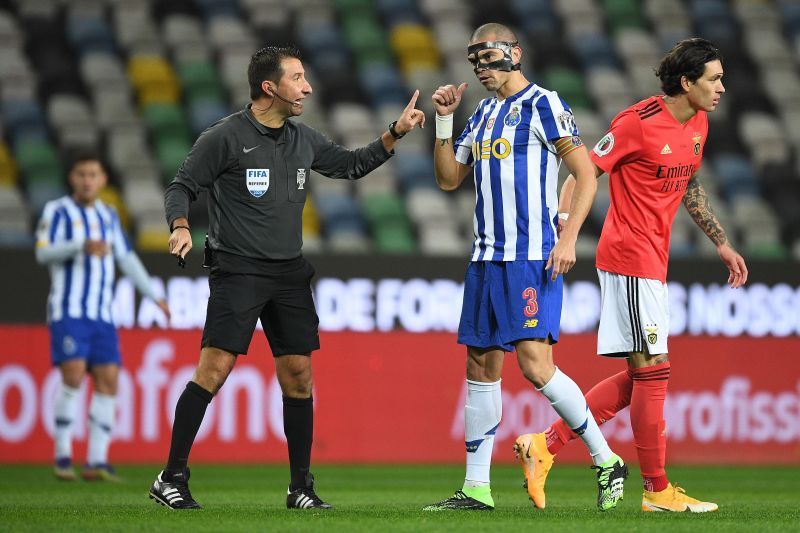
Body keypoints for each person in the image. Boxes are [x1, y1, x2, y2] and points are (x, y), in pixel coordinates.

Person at [148, 45, 425, 510]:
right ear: (269, 87)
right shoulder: (225, 137)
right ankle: (170, 475)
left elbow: (351, 164)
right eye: (298, 78)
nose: (308, 87)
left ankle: (301, 488)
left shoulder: (303, 138)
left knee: (299, 377)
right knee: (213, 370)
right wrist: (179, 227)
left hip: (289, 273)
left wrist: (395, 131)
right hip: (238, 269)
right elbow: (181, 186)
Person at [529, 37, 748, 513]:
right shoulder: (636, 124)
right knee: (654, 372)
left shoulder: (698, 123)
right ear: (687, 82)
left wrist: (721, 242)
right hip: (629, 257)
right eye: (714, 79)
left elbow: (688, 181)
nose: (722, 88)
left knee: (646, 374)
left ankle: (545, 445)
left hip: (655, 260)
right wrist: (564, 228)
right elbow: (581, 171)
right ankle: (656, 489)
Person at [422, 23, 627, 512]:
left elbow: (584, 175)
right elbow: (450, 178)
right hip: (486, 257)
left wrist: (570, 237)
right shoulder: (483, 115)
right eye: (475, 62)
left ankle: (605, 459)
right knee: (480, 364)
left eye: (489, 59)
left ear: (514, 54)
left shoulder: (545, 104)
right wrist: (446, 122)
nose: (482, 69)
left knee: (536, 366)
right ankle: (476, 488)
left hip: (531, 255)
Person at [35, 151, 170, 482]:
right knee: (74, 375)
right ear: (72, 178)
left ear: (102, 180)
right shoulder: (56, 212)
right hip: (69, 310)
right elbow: (42, 253)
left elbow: (127, 260)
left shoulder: (109, 216)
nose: (86, 180)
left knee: (109, 380)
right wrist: (79, 245)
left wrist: (154, 295)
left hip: (102, 314)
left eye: (92, 174)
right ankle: (63, 455)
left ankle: (97, 460)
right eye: (81, 174)